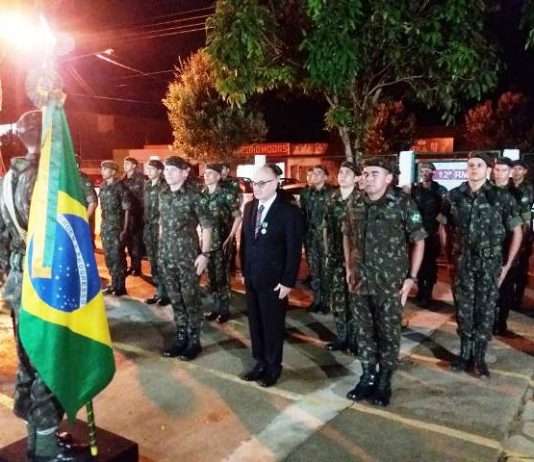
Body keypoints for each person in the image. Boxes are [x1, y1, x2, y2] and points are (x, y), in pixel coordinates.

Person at [0, 110, 89, 460]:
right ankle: (48, 449)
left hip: (18, 284)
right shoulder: (52, 178)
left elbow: (2, 238)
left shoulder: (7, 179)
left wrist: (10, 272)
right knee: (51, 365)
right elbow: (68, 233)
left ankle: (36, 441)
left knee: (29, 363)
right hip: (48, 287)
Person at [343, 157, 426, 406]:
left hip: (390, 284)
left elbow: (419, 240)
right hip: (360, 281)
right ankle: (367, 376)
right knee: (364, 332)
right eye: (366, 173)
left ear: (389, 178)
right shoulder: (355, 202)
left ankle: (384, 381)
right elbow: (346, 234)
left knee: (388, 334)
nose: (368, 178)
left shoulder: (402, 203)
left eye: (374, 173)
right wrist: (348, 266)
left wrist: (411, 278)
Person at [440, 152, 522, 378]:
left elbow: (517, 232)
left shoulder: (502, 197)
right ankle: (464, 354)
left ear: (488, 170)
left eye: (479, 165)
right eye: (471, 165)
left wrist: (507, 265)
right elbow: (443, 227)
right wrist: (448, 259)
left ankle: (479, 358)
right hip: (462, 262)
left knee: (485, 310)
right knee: (463, 308)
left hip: (490, 263)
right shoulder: (453, 196)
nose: (474, 168)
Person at [239, 164, 304, 387]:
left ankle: (273, 367)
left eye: (261, 183)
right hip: (252, 277)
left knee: (272, 326)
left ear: (275, 183)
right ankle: (260, 362)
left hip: (275, 281)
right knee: (255, 324)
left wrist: (288, 281)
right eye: (253, 183)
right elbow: (245, 243)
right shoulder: (250, 207)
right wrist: (244, 271)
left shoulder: (288, 212)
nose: (256, 188)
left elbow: (294, 249)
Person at [159, 156, 213, 361]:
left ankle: (194, 341)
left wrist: (204, 254)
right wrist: (160, 249)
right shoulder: (163, 194)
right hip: (166, 256)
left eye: (172, 170)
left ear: (185, 172)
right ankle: (181, 336)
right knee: (175, 299)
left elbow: (207, 226)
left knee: (191, 299)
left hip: (188, 257)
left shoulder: (194, 195)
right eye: (166, 170)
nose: (168, 173)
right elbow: (162, 223)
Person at [322, 161, 360, 354]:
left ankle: (355, 340)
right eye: (341, 172)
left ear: (356, 178)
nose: (342, 175)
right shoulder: (332, 198)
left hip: (355, 259)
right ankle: (342, 337)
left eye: (347, 173)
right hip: (335, 256)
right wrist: (326, 252)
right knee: (337, 298)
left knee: (355, 300)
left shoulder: (361, 199)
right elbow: (326, 227)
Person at [492, 157, 530, 335]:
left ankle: (501, 322)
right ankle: (487, 320)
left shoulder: (517, 194)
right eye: (497, 170)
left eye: (504, 170)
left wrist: (520, 247)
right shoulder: (486, 191)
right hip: (488, 246)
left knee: (506, 285)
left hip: (509, 246)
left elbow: (525, 223)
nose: (500, 174)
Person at [202, 163, 242, 323]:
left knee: (222, 277)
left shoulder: (226, 194)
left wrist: (230, 237)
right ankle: (215, 308)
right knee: (210, 276)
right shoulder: (203, 194)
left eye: (210, 173)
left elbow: (238, 216)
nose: (206, 176)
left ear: (218, 176)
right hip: (207, 243)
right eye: (205, 173)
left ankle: (224, 310)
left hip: (221, 242)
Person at [411, 162, 448, 307]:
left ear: (433, 173)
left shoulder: (440, 190)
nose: (424, 173)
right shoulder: (415, 190)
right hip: (417, 233)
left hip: (433, 234)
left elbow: (445, 211)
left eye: (428, 171)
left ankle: (428, 293)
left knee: (430, 264)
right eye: (422, 171)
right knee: (418, 264)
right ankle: (421, 291)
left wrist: (439, 226)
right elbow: (410, 209)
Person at [300, 165, 334, 313]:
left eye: (319, 173)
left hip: (326, 237)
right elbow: (303, 213)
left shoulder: (332, 193)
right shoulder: (306, 193)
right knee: (314, 269)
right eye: (313, 173)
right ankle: (316, 300)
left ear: (326, 177)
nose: (315, 175)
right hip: (310, 237)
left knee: (325, 270)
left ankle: (326, 302)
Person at [99, 160, 132, 296]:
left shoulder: (120, 188)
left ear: (113, 172)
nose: (102, 171)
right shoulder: (103, 186)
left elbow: (127, 210)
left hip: (117, 227)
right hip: (106, 226)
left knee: (118, 257)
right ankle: (114, 284)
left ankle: (120, 286)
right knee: (109, 257)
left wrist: (125, 230)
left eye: (105, 169)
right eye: (102, 169)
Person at [143, 159, 170, 306]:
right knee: (153, 261)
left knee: (162, 262)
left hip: (161, 228)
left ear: (160, 171)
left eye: (152, 169)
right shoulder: (147, 185)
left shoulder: (165, 186)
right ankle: (159, 292)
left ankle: (166, 293)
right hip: (149, 228)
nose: (149, 171)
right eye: (148, 169)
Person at [510, 159, 534, 310]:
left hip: (525, 232)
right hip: (508, 231)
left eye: (519, 169)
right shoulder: (506, 186)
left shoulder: (530, 189)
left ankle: (518, 298)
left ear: (525, 171)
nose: (516, 171)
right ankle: (505, 296)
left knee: (521, 266)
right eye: (514, 168)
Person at [121, 156, 145, 276]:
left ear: (134, 166)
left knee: (136, 242)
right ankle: (131, 265)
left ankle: (137, 267)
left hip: (138, 214)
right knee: (128, 242)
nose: (125, 165)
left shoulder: (141, 179)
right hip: (126, 215)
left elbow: (146, 197)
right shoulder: (122, 180)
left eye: (127, 164)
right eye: (124, 163)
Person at [75, 155, 98, 244]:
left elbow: (93, 203)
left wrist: (83, 220)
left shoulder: (84, 180)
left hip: (82, 224)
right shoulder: (68, 180)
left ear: (76, 165)